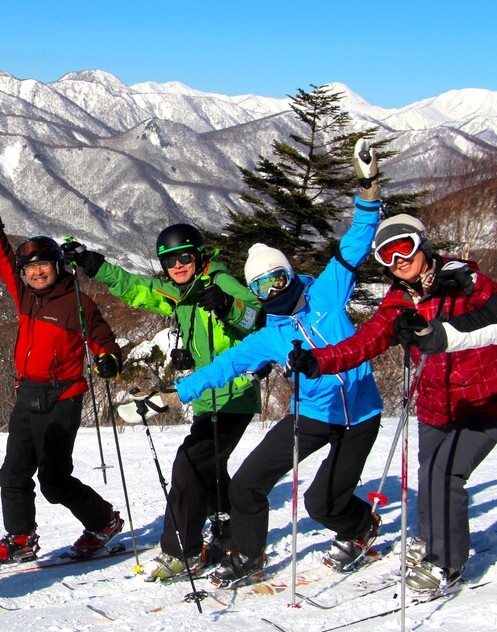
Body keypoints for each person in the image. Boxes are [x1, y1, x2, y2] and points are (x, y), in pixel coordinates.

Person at [168, 140, 384, 588]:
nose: (273, 290)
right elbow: (223, 367)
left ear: (289, 272)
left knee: (322, 503)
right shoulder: (270, 335)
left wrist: (367, 188)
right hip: (315, 414)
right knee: (246, 484)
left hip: (362, 411)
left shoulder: (327, 291)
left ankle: (361, 529)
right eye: (262, 287)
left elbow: (355, 243)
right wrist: (174, 392)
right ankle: (248, 555)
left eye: (278, 278)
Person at [289, 214, 497, 596]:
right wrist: (320, 361)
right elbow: (365, 342)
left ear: (422, 245)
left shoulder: (460, 281)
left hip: (484, 402)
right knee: (428, 469)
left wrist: (473, 281)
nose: (398, 259)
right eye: (387, 254)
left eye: (404, 247)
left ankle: (446, 562)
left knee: (445, 471)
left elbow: (493, 303)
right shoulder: (400, 301)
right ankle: (432, 538)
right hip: (436, 404)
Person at [62, 224, 262, 581]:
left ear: (199, 256)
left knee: (190, 464)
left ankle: (181, 550)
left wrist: (229, 305)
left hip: (235, 393)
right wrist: (93, 265)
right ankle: (229, 531)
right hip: (206, 397)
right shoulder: (179, 294)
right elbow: (136, 290)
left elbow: (255, 315)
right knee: (210, 467)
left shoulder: (219, 281)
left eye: (185, 257)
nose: (178, 265)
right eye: (170, 260)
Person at [0, 186, 125, 564]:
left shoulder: (75, 302)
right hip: (27, 394)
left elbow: (103, 337)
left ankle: (103, 522)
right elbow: (2, 258)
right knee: (12, 474)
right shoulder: (25, 297)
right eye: (30, 268)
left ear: (57, 266)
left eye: (44, 265)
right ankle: (20, 537)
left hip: (62, 397)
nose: (36, 272)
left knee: (54, 482)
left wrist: (108, 358)